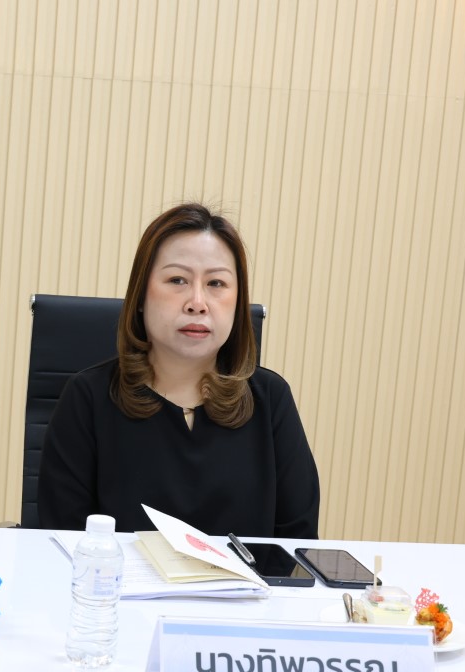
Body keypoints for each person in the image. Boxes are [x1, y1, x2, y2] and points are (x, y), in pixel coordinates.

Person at [37, 203, 319, 537]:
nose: (197, 303)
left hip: (247, 576)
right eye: (177, 280)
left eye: (216, 283)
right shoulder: (88, 398)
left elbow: (297, 541)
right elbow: (61, 539)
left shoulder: (270, 399)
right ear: (141, 296)